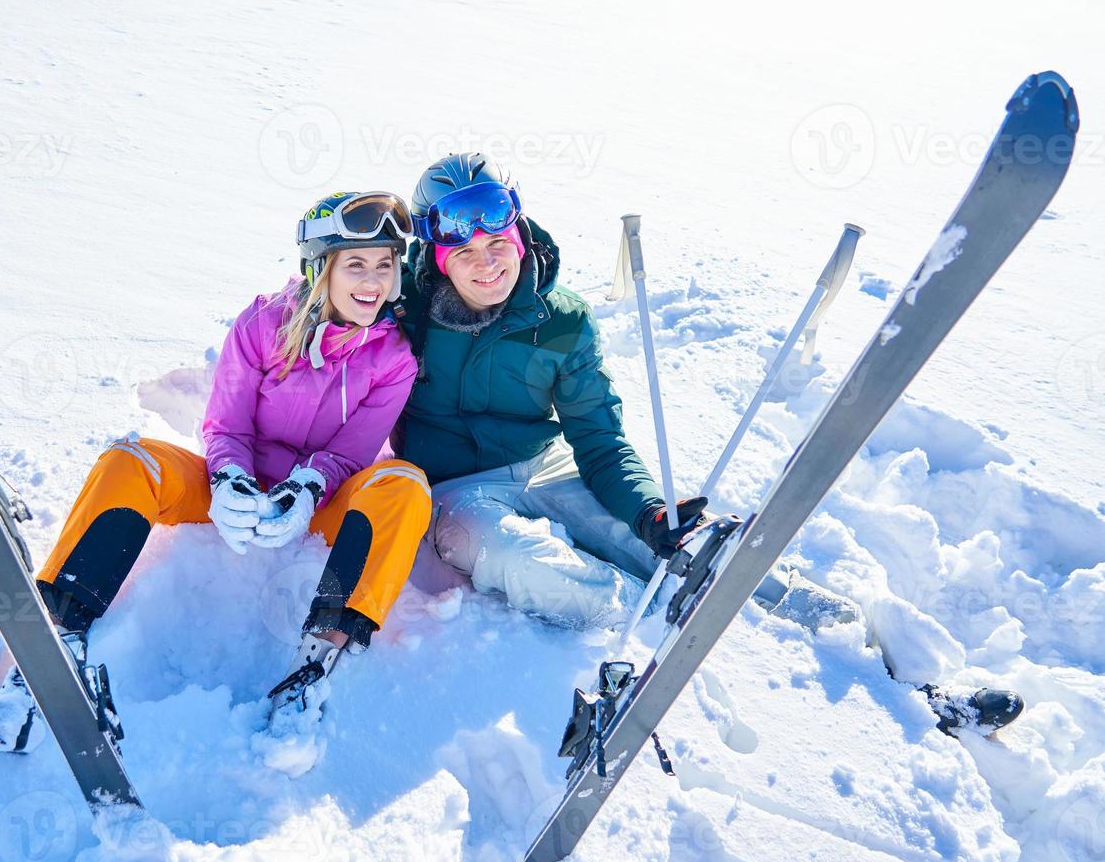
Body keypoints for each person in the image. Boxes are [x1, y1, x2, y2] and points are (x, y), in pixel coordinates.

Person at [393, 152, 1022, 734]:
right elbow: (328, 333)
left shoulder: (561, 318)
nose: (488, 262)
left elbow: (599, 436)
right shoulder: (400, 315)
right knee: (520, 562)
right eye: (465, 249)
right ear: (436, 256)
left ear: (521, 232)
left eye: (499, 241)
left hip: (549, 466)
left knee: (685, 544)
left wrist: (645, 510)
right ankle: (675, 620)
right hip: (456, 490)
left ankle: (895, 672)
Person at [0, 191, 432, 753]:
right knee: (128, 461)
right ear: (320, 267)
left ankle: (313, 668)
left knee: (402, 486)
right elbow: (226, 424)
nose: (374, 281)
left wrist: (307, 488)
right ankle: (56, 644)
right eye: (356, 263)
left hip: (316, 504)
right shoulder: (263, 324)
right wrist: (232, 478)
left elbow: (350, 454)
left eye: (385, 264)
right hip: (228, 487)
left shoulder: (394, 358)